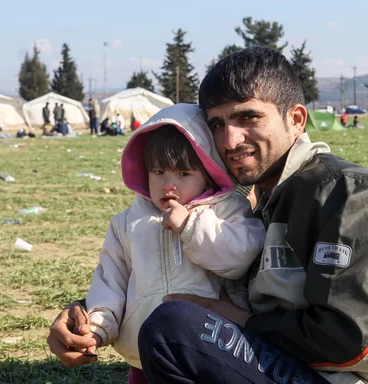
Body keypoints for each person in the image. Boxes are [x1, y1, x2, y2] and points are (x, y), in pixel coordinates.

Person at [48, 47, 368, 384]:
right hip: (311, 369)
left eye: (248, 117)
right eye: (217, 124)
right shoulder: (249, 199)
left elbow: (353, 338)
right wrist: (90, 316)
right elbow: (185, 273)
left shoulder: (346, 195)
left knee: (175, 328)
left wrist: (234, 320)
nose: (230, 139)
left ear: (296, 119)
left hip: (364, 378)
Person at [81, 104, 266, 382]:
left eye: (183, 174)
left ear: (208, 172)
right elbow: (111, 279)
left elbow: (239, 259)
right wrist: (98, 323)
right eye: (158, 172)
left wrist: (191, 227)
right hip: (142, 350)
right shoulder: (127, 222)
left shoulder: (226, 210)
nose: (169, 184)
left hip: (212, 347)